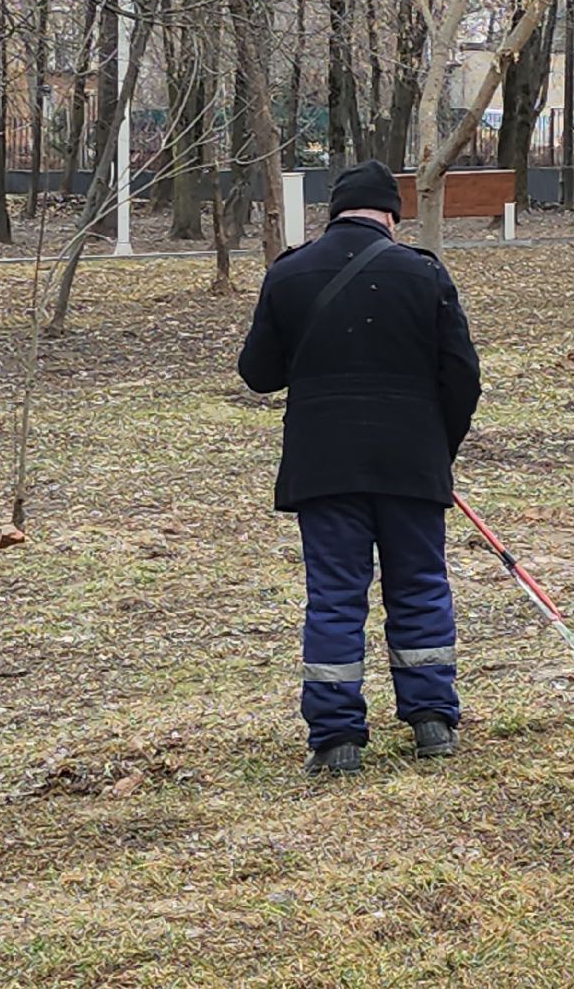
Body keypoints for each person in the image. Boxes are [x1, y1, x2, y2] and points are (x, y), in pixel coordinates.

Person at [236, 160, 482, 776]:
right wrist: (437, 449)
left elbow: (258, 374)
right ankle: (432, 723)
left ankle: (337, 738)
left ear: (335, 211)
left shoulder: (288, 274)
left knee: (335, 598)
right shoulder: (423, 274)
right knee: (420, 584)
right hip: (411, 461)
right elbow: (463, 377)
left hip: (324, 465)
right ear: (392, 215)